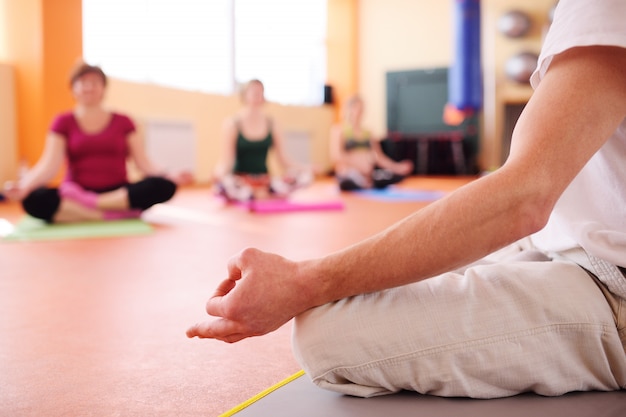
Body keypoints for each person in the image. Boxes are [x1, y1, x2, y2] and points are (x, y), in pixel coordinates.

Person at [187, 0, 626, 399]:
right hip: (562, 241)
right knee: (381, 273)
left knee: (323, 335)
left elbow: (523, 197)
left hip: (608, 279)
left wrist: (302, 280)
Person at [3, 61, 192, 223]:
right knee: (33, 199)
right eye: (82, 82)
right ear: (73, 89)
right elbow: (48, 165)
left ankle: (90, 209)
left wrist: (169, 174)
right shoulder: (62, 122)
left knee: (164, 186)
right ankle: (113, 214)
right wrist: (26, 185)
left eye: (94, 82)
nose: (88, 87)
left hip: (115, 193)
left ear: (103, 89)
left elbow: (144, 163)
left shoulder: (124, 121)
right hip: (77, 191)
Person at [213, 79, 313, 202]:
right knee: (226, 183)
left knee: (305, 177)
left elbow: (283, 159)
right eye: (254, 91)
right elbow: (226, 161)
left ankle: (263, 193)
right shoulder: (232, 124)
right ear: (244, 94)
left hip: (265, 181)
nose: (257, 95)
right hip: (241, 182)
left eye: (261, 92)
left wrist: (305, 168)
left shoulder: (273, 123)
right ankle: (251, 194)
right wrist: (218, 175)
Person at [330, 94, 413, 191]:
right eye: (356, 108)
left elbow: (379, 157)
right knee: (347, 180)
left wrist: (397, 167)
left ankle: (368, 182)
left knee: (397, 176)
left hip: (369, 173)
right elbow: (336, 156)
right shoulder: (339, 130)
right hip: (349, 173)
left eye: (362, 108)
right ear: (348, 108)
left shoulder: (368, 133)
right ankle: (364, 182)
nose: (359, 111)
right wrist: (358, 165)